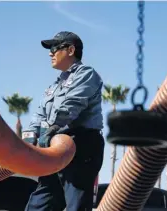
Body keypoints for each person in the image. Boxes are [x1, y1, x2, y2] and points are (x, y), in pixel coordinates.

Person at [22, 31, 105, 211]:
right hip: (53, 147)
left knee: (76, 204)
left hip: (81, 145)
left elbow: (72, 104)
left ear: (70, 50)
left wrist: (53, 127)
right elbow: (39, 114)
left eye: (54, 48)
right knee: (41, 203)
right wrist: (30, 136)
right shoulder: (54, 86)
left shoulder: (86, 74)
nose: (50, 53)